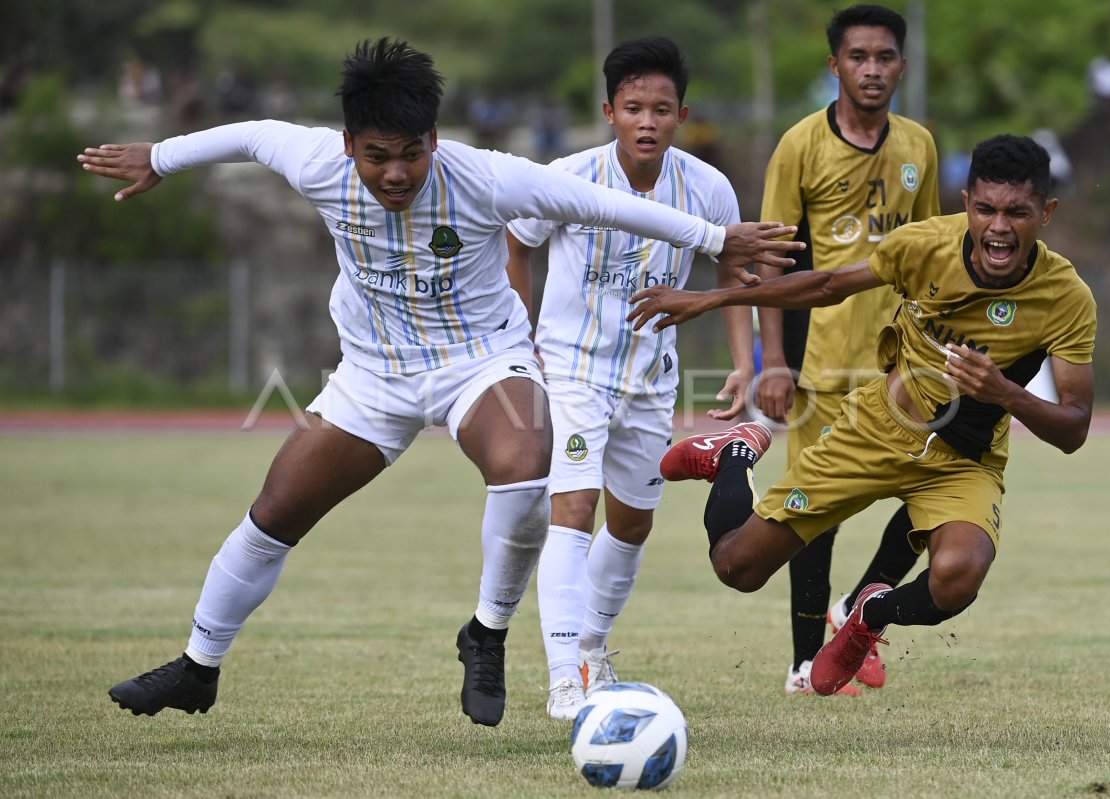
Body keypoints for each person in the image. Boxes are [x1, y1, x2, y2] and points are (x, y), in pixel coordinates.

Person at [77, 39, 799, 726]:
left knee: (524, 465)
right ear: (347, 144)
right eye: (377, 156)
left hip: (480, 363)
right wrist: (162, 157)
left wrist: (712, 239)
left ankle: (486, 632)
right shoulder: (315, 164)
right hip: (372, 376)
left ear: (434, 139)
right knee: (275, 510)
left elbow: (597, 203)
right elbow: (255, 132)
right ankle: (198, 667)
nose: (395, 173)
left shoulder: (483, 175)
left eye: (412, 155)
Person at [629, 134, 1096, 696]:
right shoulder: (924, 245)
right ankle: (731, 456)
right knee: (738, 569)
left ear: (1045, 213)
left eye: (1017, 213)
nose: (999, 227)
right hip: (874, 431)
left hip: (960, 463)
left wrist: (1007, 394)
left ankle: (871, 612)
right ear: (966, 201)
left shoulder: (1067, 297)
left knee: (958, 577)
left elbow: (1074, 427)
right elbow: (827, 284)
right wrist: (711, 300)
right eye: (986, 209)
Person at [505, 36, 756, 721]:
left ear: (681, 114)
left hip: (652, 377)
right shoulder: (567, 176)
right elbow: (516, 244)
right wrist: (520, 342)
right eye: (634, 107)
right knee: (574, 510)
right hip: (572, 370)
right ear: (609, 110)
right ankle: (564, 675)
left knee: (635, 522)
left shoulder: (708, 187)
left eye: (662, 108)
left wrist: (745, 361)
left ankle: (593, 646)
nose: (648, 120)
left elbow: (734, 272)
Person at [754, 4, 939, 697]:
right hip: (823, 368)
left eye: (884, 56)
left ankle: (859, 601)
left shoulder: (919, 144)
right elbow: (770, 264)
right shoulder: (800, 145)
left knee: (930, 499)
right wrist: (774, 360)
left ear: (902, 65)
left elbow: (932, 258)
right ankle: (806, 662)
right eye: (857, 57)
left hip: (903, 371)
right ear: (835, 65)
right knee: (814, 516)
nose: (871, 69)